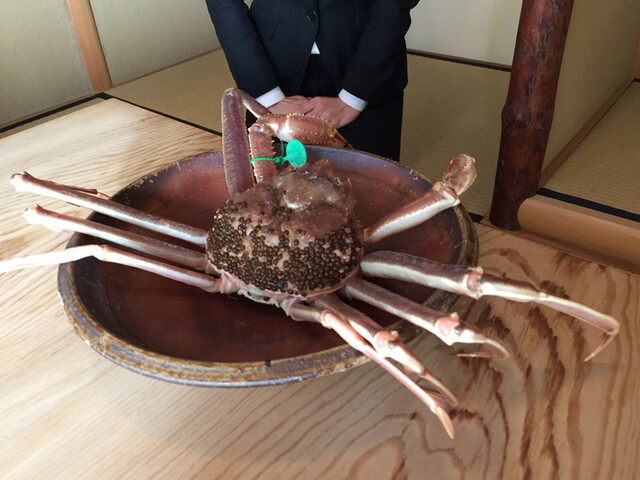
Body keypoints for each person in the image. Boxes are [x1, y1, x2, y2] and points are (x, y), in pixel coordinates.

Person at [205, 0, 419, 161]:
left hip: (369, 66)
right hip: (268, 69)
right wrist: (267, 95)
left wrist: (354, 97)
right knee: (265, 197)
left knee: (376, 195)